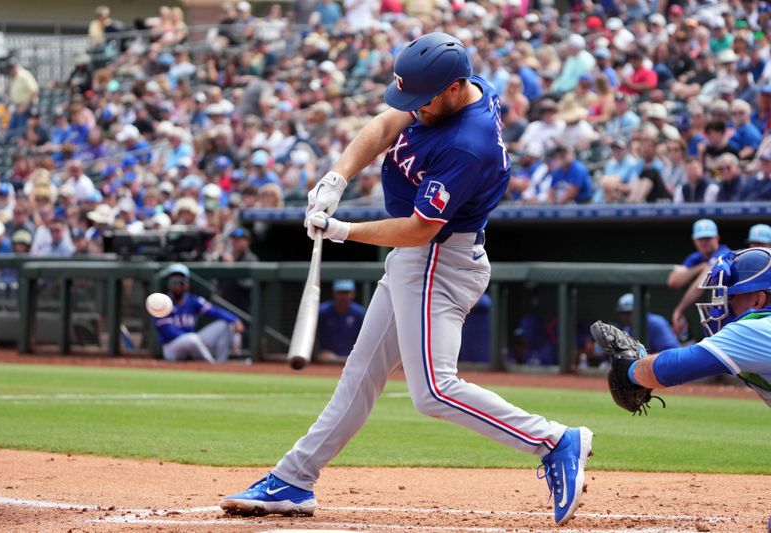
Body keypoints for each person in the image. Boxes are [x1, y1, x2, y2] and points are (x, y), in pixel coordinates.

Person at [219, 32, 593, 526]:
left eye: (425, 100)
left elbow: (420, 230)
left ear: (456, 89)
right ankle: (294, 478)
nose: (414, 108)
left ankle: (555, 441)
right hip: (419, 260)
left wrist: (343, 230)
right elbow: (388, 122)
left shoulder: (468, 144)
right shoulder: (457, 88)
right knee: (360, 378)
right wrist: (338, 177)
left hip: (438, 260)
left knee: (434, 391)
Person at [594, 248, 771, 410]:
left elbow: (672, 368)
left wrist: (629, 370)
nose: (726, 303)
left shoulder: (757, 329)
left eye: (732, 296)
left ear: (758, 300)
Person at [152, 263, 243, 363]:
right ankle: (212, 365)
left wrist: (234, 320)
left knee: (224, 325)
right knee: (192, 338)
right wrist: (194, 339)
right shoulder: (163, 303)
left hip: (193, 342)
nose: (178, 286)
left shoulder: (193, 300)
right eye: (174, 282)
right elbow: (168, 333)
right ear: (168, 284)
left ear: (187, 284)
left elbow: (214, 311)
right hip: (172, 348)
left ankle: (221, 363)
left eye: (181, 282)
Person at [667, 219, 732, 337]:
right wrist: (700, 267)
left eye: (708, 238)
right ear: (694, 240)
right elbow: (673, 281)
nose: (704, 242)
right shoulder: (695, 258)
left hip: (729, 310)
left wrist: (680, 310)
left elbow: (702, 282)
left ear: (717, 238)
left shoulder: (724, 254)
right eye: (700, 239)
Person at [315, 279, 366, 363]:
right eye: (340, 292)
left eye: (346, 292)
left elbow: (365, 337)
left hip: (351, 356)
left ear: (353, 294)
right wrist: (317, 352)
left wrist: (359, 353)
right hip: (327, 357)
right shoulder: (322, 311)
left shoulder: (359, 313)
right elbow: (313, 335)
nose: (343, 296)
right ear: (333, 293)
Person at [615, 293, 679, 353]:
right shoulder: (628, 329)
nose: (624, 317)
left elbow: (672, 351)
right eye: (622, 313)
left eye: (628, 313)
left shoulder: (656, 323)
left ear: (639, 311)